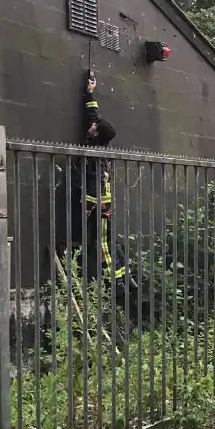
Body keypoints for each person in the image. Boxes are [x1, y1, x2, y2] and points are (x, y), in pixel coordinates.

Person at [72, 71, 131, 295]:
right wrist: (90, 92)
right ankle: (125, 276)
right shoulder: (98, 139)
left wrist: (88, 207)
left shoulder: (97, 156)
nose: (91, 127)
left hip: (101, 206)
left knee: (105, 244)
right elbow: (94, 115)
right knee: (110, 240)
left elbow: (94, 186)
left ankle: (117, 282)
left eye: (93, 129)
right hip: (102, 206)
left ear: (97, 135)